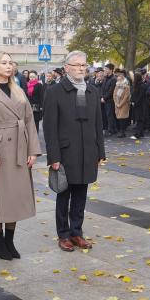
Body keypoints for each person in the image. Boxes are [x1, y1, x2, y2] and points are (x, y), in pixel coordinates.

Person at [0, 51, 41, 261]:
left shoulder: (19, 91)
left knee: (15, 197)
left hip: (19, 150)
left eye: (11, 62)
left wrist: (33, 150)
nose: (9, 66)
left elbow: (29, 121)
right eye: (4, 62)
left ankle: (10, 240)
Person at [43, 50, 105, 252]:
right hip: (65, 152)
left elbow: (98, 123)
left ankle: (76, 233)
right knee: (64, 195)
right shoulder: (54, 91)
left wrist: (100, 152)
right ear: (67, 67)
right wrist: (54, 156)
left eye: (83, 65)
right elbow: (50, 128)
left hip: (88, 151)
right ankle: (63, 235)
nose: (80, 68)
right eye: (76, 65)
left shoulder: (92, 91)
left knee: (81, 195)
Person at [113, 69, 130, 138]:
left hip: (124, 105)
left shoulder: (126, 86)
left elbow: (126, 96)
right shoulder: (117, 85)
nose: (118, 78)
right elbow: (114, 94)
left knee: (122, 118)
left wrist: (120, 104)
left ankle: (122, 132)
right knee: (119, 118)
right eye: (118, 78)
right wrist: (116, 103)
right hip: (117, 104)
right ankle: (121, 131)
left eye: (119, 77)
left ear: (122, 77)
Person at [101, 63, 117, 136]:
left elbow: (111, 91)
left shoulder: (113, 79)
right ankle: (109, 128)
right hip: (104, 99)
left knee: (110, 115)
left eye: (106, 69)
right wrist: (102, 97)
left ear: (110, 70)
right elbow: (102, 88)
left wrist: (104, 98)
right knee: (106, 115)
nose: (105, 70)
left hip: (110, 100)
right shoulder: (105, 78)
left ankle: (111, 130)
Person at [131, 72, 146, 139]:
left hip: (140, 105)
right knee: (139, 119)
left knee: (139, 119)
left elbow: (140, 96)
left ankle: (138, 134)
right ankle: (141, 133)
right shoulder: (137, 85)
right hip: (138, 104)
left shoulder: (141, 86)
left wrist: (135, 102)